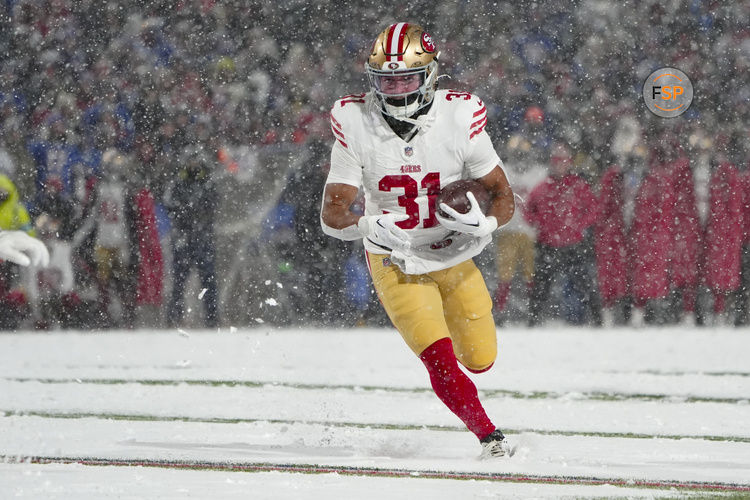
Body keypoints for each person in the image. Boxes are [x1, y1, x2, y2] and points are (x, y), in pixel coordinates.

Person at [319, 23, 515, 458]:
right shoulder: (355, 122)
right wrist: (367, 226)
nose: (396, 89)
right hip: (396, 260)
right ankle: (490, 438)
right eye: (386, 80)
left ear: (429, 75)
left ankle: (481, 407)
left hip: (455, 252)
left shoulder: (460, 117)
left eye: (406, 77)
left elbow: (503, 196)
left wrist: (486, 226)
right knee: (439, 359)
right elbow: (333, 215)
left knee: (481, 359)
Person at [524, 143, 601, 326]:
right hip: (547, 244)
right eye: (556, 160)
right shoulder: (542, 187)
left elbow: (593, 209)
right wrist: (538, 224)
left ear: (569, 163)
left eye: (563, 160)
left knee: (585, 284)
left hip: (573, 244)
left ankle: (598, 320)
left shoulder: (578, 186)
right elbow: (528, 209)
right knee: (541, 287)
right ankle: (533, 321)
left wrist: (579, 225)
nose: (560, 164)